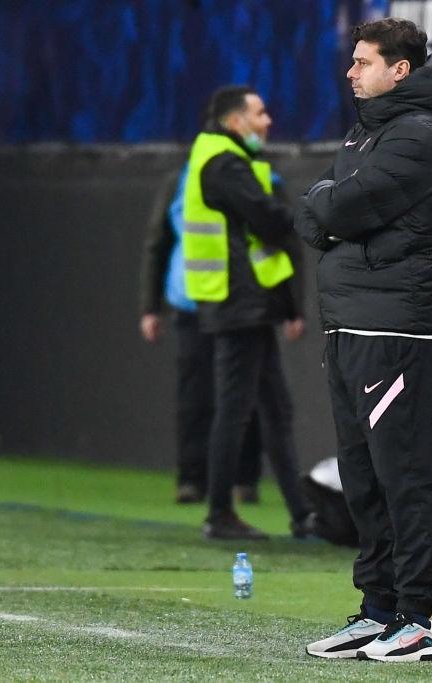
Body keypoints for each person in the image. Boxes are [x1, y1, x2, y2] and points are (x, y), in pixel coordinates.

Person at [295, 18, 432, 663]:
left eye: (363, 62)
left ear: (400, 70)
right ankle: (377, 610)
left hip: (394, 328)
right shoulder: (367, 132)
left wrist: (329, 207)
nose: (351, 72)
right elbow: (321, 213)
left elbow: (334, 209)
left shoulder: (417, 135)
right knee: (360, 477)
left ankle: (417, 620)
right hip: (349, 321)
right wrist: (330, 209)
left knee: (401, 475)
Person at [181, 85, 314, 540]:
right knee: (239, 410)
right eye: (259, 113)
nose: (268, 121)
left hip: (245, 304)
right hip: (238, 304)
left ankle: (302, 514)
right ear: (235, 121)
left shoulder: (223, 158)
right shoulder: (225, 163)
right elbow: (269, 219)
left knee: (273, 409)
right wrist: (310, 214)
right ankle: (220, 514)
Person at [139, 164, 279, 504]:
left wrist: (288, 305)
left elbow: (278, 242)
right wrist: (150, 306)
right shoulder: (178, 180)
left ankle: (244, 477)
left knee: (246, 393)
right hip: (193, 304)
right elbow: (159, 243)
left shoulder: (263, 176)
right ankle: (192, 478)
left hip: (244, 304)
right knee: (195, 395)